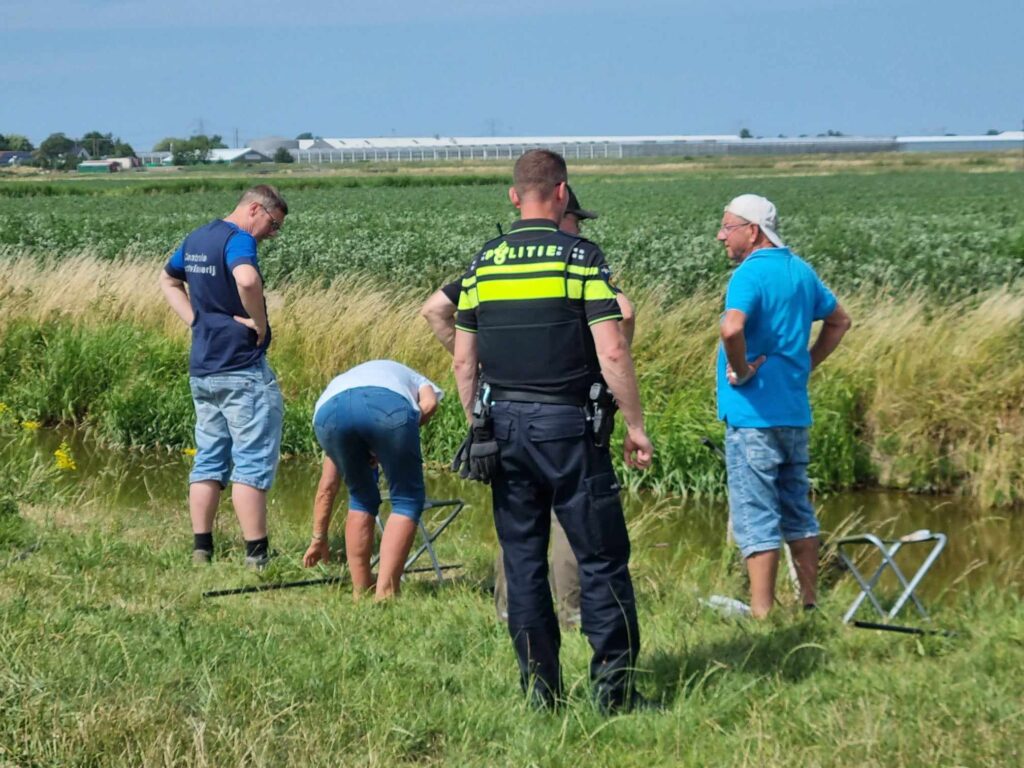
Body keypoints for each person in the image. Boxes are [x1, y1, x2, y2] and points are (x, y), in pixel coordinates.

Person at [452, 149, 653, 712]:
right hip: (570, 430)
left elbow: (464, 363)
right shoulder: (580, 257)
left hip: (504, 430)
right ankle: (614, 697)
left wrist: (477, 426)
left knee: (523, 564)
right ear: (562, 194)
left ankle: (542, 695)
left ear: (514, 197)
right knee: (601, 559)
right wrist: (635, 425)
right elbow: (612, 348)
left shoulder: (483, 263)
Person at [420, 185, 634, 630]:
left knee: (518, 530)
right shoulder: (576, 259)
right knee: (575, 522)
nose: (580, 228)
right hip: (567, 416)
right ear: (560, 208)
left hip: (503, 416)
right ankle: (575, 614)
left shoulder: (492, 262)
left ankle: (512, 616)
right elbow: (624, 316)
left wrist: (479, 383)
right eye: (577, 219)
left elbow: (436, 309)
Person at [716, 193, 852, 618]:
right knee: (797, 510)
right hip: (793, 413)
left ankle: (762, 615)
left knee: (755, 515)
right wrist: (805, 365)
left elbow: (731, 327)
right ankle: (810, 605)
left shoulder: (748, 274)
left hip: (753, 415)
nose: (721, 235)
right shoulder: (800, 270)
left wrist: (740, 369)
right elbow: (839, 321)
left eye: (728, 227)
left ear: (752, 231)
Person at [159, 184, 288, 568]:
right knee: (251, 460)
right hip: (241, 366)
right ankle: (257, 556)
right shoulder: (238, 240)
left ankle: (202, 549)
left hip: (203, 366)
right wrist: (260, 325)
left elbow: (167, 279)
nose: (272, 234)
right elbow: (247, 280)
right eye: (273, 224)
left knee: (209, 459)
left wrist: (196, 321)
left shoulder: (198, 237)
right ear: (254, 210)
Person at [302, 360, 442, 600]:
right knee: (407, 500)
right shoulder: (416, 378)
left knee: (361, 498)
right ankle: (385, 593)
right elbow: (429, 403)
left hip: (327, 412)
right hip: (386, 407)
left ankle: (361, 590)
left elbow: (327, 488)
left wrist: (318, 538)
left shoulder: (345, 383)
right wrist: (391, 441)